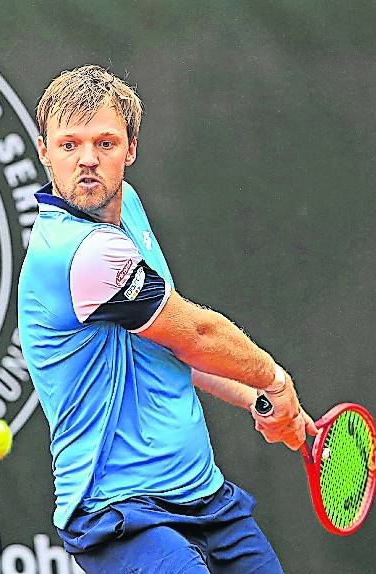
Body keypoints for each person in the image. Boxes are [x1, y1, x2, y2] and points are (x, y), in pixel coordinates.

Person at [18, 65, 317, 574]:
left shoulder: (127, 208)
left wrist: (258, 400)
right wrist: (273, 379)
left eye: (105, 143)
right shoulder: (77, 253)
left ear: (131, 149)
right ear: (45, 152)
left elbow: (167, 343)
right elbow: (198, 334)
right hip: (118, 513)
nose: (88, 160)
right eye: (69, 145)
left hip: (204, 494)